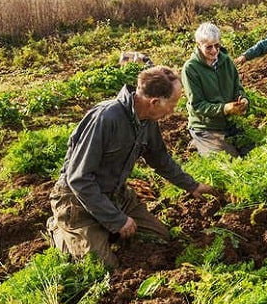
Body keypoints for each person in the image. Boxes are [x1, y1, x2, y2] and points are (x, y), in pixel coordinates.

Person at [47, 66, 217, 268]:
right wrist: (117, 220)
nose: (173, 110)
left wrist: (192, 186)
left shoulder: (147, 120)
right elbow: (78, 179)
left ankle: (103, 231)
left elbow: (160, 159)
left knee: (160, 237)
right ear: (154, 102)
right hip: (77, 201)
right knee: (103, 267)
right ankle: (60, 231)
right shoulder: (105, 119)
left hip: (115, 195)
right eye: (172, 104)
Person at [182, 22, 250, 157]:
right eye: (208, 47)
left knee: (252, 152)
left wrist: (243, 99)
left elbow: (238, 88)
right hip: (206, 126)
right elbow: (197, 105)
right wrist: (224, 109)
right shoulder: (191, 69)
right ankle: (199, 140)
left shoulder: (226, 62)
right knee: (229, 160)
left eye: (217, 45)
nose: (214, 51)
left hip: (229, 123)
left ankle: (207, 144)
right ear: (199, 45)